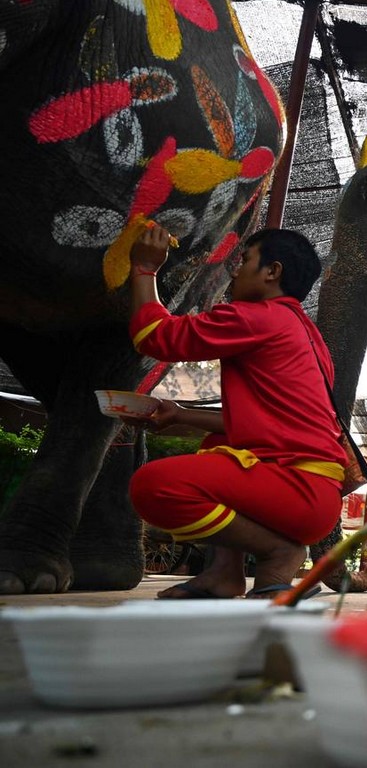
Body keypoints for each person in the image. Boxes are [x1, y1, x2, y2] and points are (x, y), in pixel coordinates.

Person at [126, 224, 345, 599]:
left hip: (297, 489)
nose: (235, 270)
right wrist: (179, 415)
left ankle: (278, 551)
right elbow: (257, 425)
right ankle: (224, 573)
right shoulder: (303, 331)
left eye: (245, 261)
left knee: (153, 486)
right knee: (217, 442)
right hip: (314, 494)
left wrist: (145, 268)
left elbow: (155, 336)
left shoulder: (256, 316)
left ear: (272, 272)